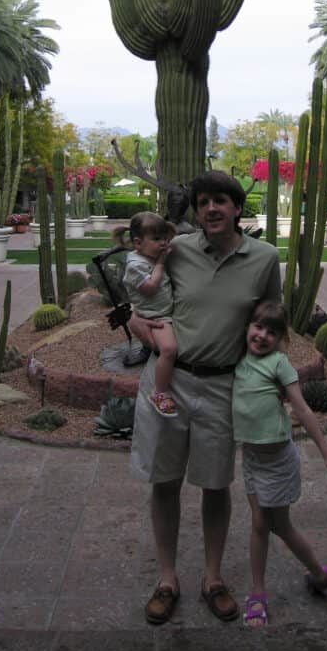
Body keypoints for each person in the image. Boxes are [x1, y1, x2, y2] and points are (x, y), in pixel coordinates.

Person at [128, 170, 282, 626]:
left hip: (222, 386)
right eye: (202, 203)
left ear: (237, 207)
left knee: (216, 484)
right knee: (164, 480)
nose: (210, 209)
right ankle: (168, 578)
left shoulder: (265, 258)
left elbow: (271, 323)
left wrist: (272, 385)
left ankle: (213, 578)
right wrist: (141, 329)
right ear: (195, 212)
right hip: (169, 383)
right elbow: (139, 302)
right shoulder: (174, 252)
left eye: (220, 200)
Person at [233, 300, 327, 627]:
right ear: (247, 327)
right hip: (251, 459)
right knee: (259, 523)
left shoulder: (278, 364)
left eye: (272, 331)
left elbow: (303, 410)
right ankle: (259, 591)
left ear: (281, 338)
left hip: (278, 460)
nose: (262, 335)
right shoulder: (239, 362)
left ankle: (319, 573)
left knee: (279, 525)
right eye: (258, 327)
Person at [120, 212, 178, 417]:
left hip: (164, 312)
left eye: (164, 238)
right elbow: (151, 287)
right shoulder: (135, 265)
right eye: (156, 239)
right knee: (169, 349)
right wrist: (161, 264)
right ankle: (160, 392)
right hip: (155, 317)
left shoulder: (149, 256)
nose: (162, 243)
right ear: (138, 242)